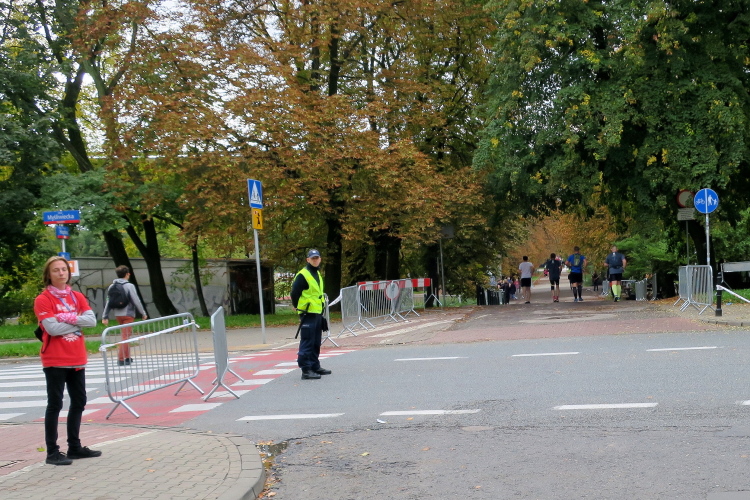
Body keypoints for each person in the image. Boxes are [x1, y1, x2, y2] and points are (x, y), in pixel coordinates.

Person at [34, 256, 101, 466]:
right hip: (55, 359)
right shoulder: (43, 299)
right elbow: (52, 329)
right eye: (56, 270)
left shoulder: (77, 296)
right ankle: (52, 452)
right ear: (48, 274)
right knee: (55, 404)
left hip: (77, 357)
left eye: (64, 269)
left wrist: (64, 318)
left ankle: (74, 447)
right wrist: (78, 322)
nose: (61, 273)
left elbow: (92, 320)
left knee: (79, 401)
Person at [290, 249, 331, 380]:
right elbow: (294, 292)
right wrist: (297, 306)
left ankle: (314, 365)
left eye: (317, 258)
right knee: (308, 341)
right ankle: (306, 369)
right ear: (308, 260)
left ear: (320, 259)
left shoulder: (317, 273)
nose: (315, 260)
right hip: (307, 313)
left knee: (316, 341)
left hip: (317, 312)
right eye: (312, 258)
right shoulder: (303, 275)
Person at [102, 265, 148, 366]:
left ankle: (127, 357)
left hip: (118, 315)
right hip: (128, 314)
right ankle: (121, 359)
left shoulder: (112, 286)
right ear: (127, 274)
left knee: (125, 336)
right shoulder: (129, 286)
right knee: (125, 337)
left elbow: (108, 302)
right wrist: (143, 313)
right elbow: (136, 300)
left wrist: (105, 316)